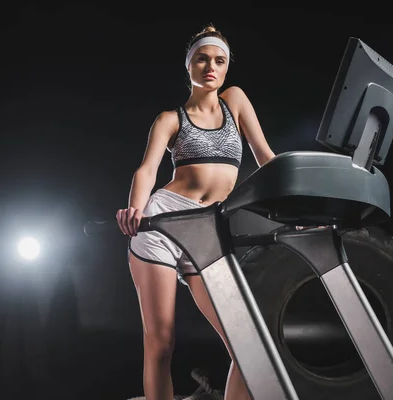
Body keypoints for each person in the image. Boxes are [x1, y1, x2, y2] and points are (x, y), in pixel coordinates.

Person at [116, 24, 275, 400]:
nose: (211, 66)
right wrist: (135, 210)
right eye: (202, 59)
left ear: (226, 68)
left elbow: (266, 158)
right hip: (163, 225)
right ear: (188, 66)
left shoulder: (235, 100)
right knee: (161, 342)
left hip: (208, 231)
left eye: (219, 60)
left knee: (248, 345)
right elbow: (147, 170)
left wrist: (299, 189)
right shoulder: (170, 119)